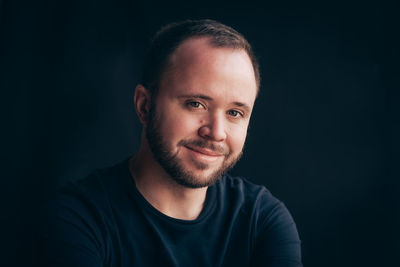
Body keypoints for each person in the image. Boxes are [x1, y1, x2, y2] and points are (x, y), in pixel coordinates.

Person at [41, 19, 302, 267]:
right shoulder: (79, 218)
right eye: (195, 104)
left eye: (235, 113)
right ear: (144, 106)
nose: (216, 132)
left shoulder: (262, 220)